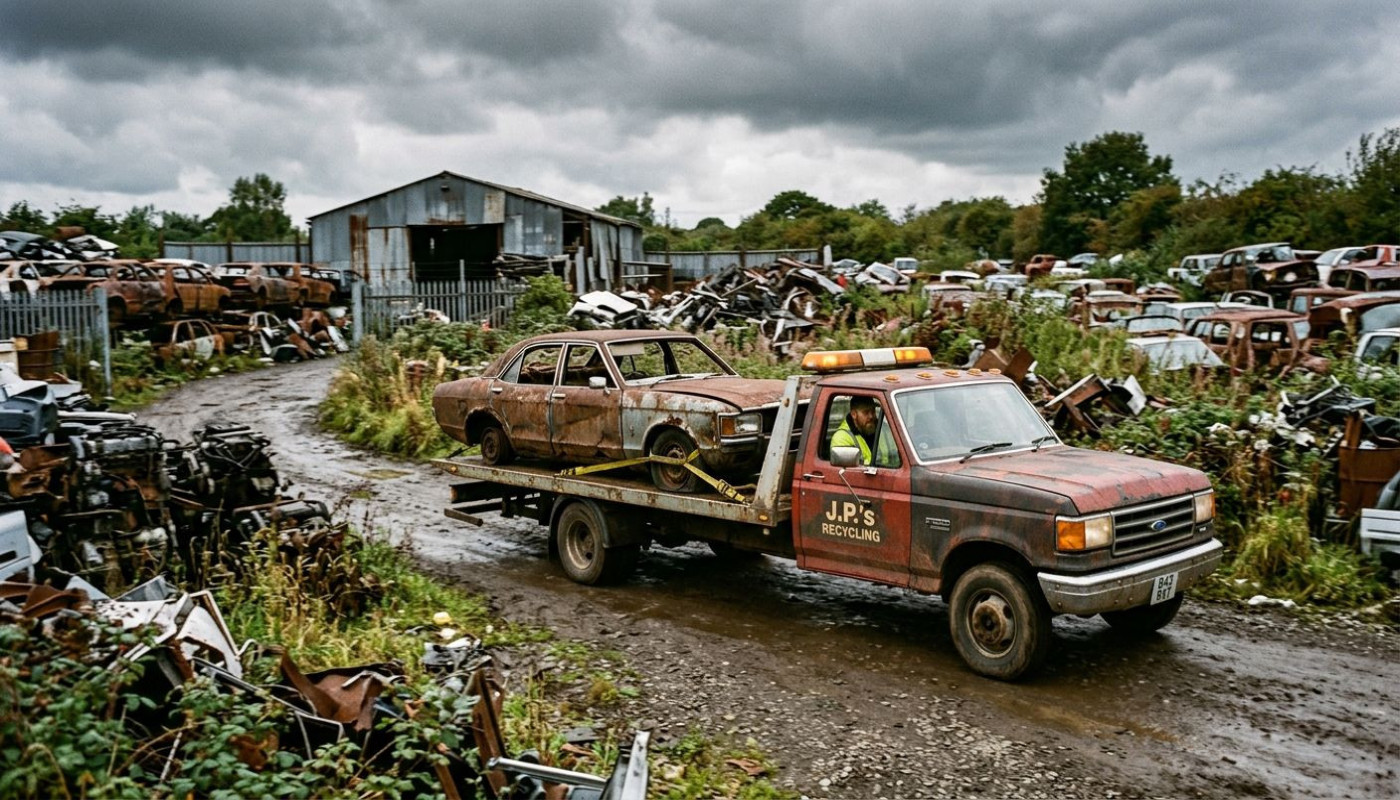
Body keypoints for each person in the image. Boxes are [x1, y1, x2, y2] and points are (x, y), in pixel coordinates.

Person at [831, 396, 879, 465]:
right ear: (854, 414)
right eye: (866, 412)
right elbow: (848, 472)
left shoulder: (882, 429)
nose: (871, 416)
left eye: (873, 411)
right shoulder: (841, 438)